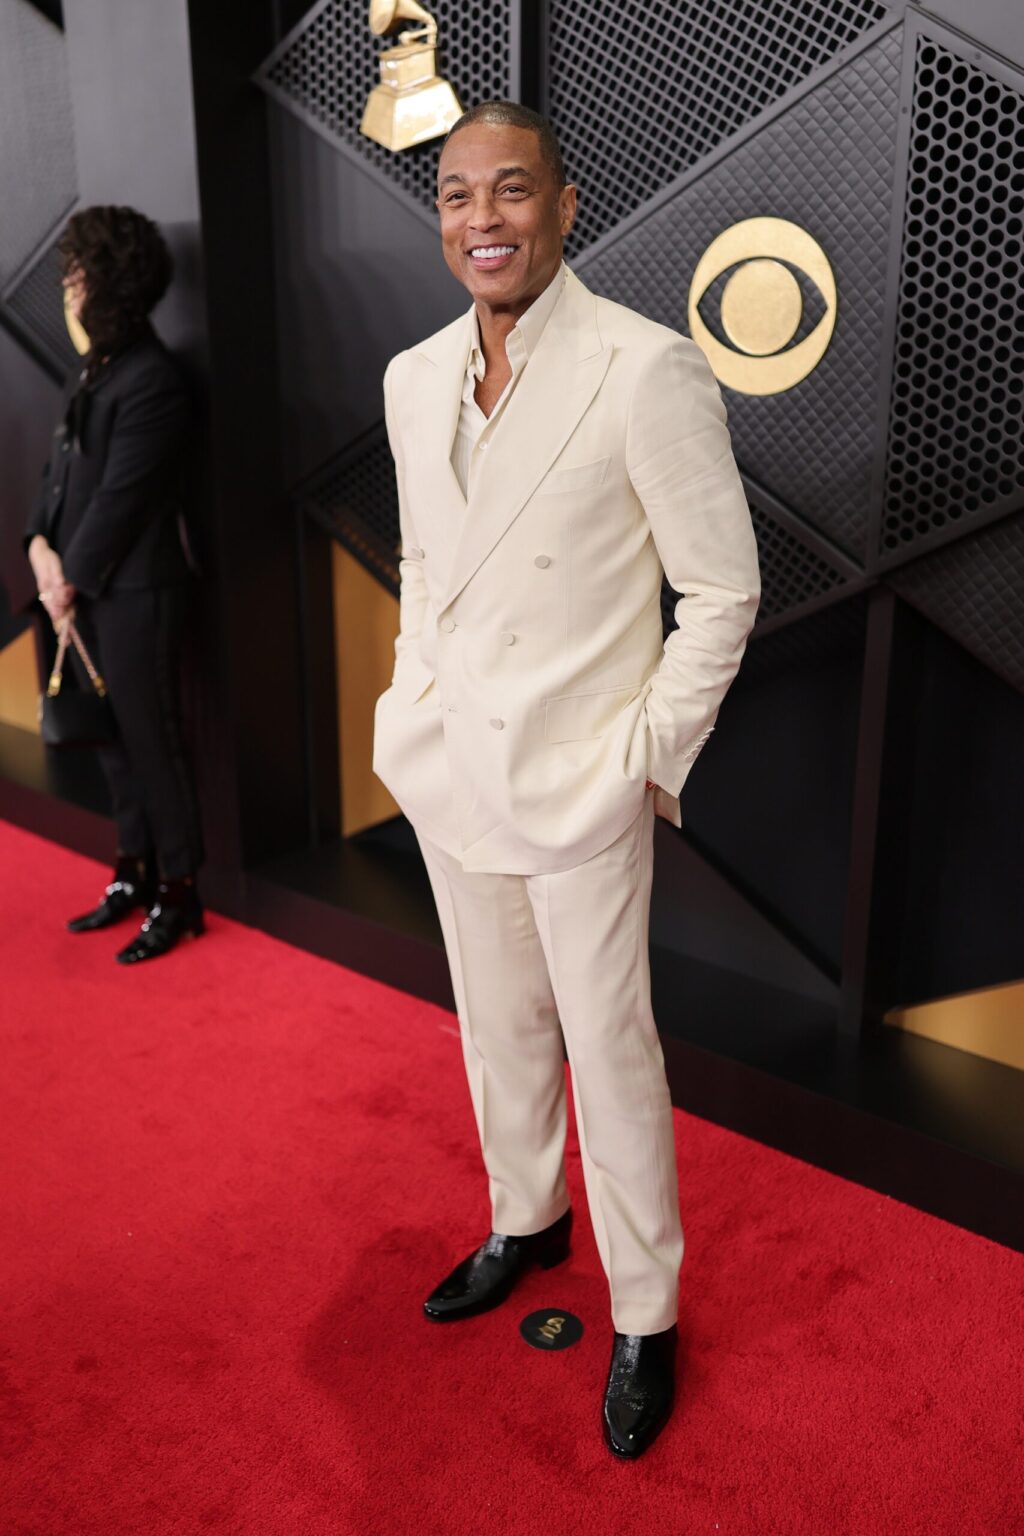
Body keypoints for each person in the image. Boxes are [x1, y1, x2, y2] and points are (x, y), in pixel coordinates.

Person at [372, 102, 760, 1459]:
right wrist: (409, 701)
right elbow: (430, 562)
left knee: (612, 1048)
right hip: (451, 763)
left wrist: (640, 761)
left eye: (512, 192)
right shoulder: (413, 377)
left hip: (581, 779)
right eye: (458, 196)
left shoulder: (643, 368)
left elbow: (721, 588)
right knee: (497, 1026)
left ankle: (645, 1309)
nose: (483, 219)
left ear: (566, 206)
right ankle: (526, 1221)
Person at [25, 205, 204, 964]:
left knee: (151, 742)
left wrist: (67, 578)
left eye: (78, 275)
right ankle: (131, 872)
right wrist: (37, 546)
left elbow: (122, 500)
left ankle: (180, 893)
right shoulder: (91, 371)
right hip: (79, 591)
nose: (69, 289)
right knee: (112, 746)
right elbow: (59, 483)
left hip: (135, 593)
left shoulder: (154, 380)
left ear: (112, 283)